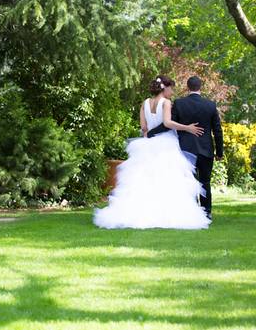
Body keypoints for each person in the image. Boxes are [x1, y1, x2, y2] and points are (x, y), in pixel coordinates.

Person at [93, 75, 211, 230]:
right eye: (171, 88)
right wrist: (187, 127)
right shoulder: (166, 103)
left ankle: (141, 212)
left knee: (144, 179)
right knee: (167, 179)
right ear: (165, 88)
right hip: (166, 144)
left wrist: (148, 132)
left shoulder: (145, 103)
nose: (172, 92)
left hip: (147, 145)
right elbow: (167, 123)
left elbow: (143, 127)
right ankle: (166, 213)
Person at [147, 76, 224, 219]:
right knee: (205, 181)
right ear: (200, 87)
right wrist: (219, 152)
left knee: (190, 181)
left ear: (188, 87)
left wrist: (151, 133)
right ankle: (207, 213)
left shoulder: (180, 103)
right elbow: (217, 131)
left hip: (186, 149)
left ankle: (193, 212)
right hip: (206, 150)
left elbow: (167, 124)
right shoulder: (210, 105)